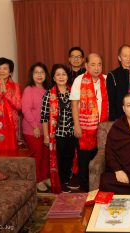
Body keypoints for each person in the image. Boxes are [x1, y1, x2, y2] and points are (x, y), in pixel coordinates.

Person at [70, 53, 108, 192]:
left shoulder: (106, 79)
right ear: (86, 65)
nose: (97, 68)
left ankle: (99, 189)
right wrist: (77, 126)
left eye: (99, 64)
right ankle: (85, 190)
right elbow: (74, 105)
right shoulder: (79, 81)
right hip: (85, 129)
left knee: (100, 160)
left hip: (102, 129)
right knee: (84, 161)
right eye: (93, 64)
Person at [41, 64, 76, 193]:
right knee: (60, 160)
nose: (61, 77)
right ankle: (61, 184)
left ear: (67, 76)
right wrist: (45, 136)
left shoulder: (73, 91)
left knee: (69, 158)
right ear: (54, 78)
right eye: (58, 74)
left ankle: (66, 181)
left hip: (71, 132)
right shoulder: (49, 94)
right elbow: (44, 117)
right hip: (57, 134)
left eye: (64, 74)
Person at [22, 62, 51, 192]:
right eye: (36, 72)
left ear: (46, 75)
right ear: (32, 75)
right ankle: (37, 179)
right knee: (37, 155)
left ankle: (45, 177)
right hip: (32, 130)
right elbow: (26, 110)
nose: (39, 75)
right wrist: (35, 126)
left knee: (46, 154)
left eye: (42, 72)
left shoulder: (47, 91)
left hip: (45, 130)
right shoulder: (29, 89)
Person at [107, 44, 130, 121]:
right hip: (119, 117)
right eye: (125, 56)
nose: (128, 58)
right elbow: (111, 101)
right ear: (119, 58)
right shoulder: (112, 75)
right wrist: (114, 119)